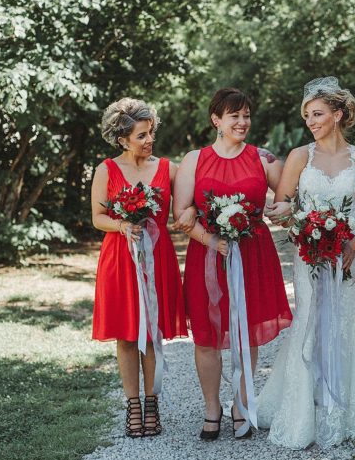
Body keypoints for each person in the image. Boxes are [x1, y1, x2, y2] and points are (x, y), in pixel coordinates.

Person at [257, 77, 355, 448]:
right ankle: (305, 406)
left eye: (318, 114)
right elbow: (285, 204)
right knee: (311, 320)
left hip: (352, 255)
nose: (311, 121)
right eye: (307, 116)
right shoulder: (299, 157)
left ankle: (348, 406)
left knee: (349, 324)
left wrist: (354, 244)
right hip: (309, 256)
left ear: (338, 114)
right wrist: (279, 211)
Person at [174, 88, 291, 440]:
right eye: (234, 116)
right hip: (208, 253)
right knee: (207, 336)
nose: (242, 122)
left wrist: (285, 208)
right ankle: (212, 408)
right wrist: (211, 239)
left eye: (246, 116)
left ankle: (241, 404)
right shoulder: (195, 159)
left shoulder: (263, 159)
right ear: (216, 120)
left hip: (253, 253)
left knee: (245, 332)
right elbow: (181, 214)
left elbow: (289, 199)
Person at [91, 97, 188, 438]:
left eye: (150, 133)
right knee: (127, 334)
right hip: (121, 259)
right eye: (141, 136)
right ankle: (132, 404)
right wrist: (122, 226)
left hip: (157, 259)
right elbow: (97, 217)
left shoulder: (168, 168)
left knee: (153, 332)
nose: (149, 141)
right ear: (122, 139)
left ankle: (152, 402)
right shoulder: (106, 170)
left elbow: (189, 201)